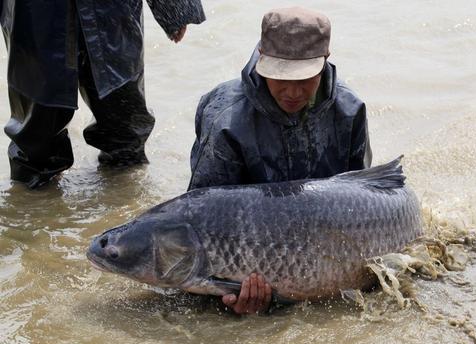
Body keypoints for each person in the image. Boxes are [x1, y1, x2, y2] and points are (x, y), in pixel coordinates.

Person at [188, 7, 372, 314]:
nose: (292, 91)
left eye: (305, 79)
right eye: (280, 78)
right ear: (261, 57)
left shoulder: (349, 110)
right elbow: (204, 216)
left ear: (325, 60)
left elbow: (361, 197)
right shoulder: (224, 119)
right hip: (249, 246)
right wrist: (230, 287)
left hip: (325, 238)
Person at [0, 0, 206, 189]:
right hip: (34, 11)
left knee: (124, 122)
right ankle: (34, 213)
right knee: (36, 135)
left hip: (110, 11)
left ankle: (123, 203)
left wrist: (173, 8)